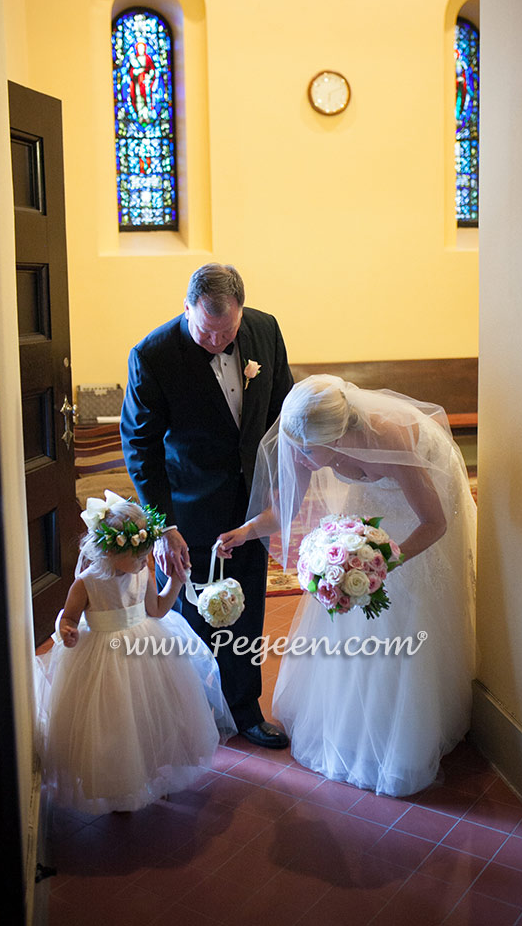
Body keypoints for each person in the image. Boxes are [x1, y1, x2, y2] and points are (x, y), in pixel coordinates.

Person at [218, 375, 477, 796]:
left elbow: (435, 523)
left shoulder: (390, 439)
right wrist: (244, 532)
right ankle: (350, 722)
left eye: (307, 451)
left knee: (402, 612)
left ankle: (399, 730)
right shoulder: (302, 434)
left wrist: (381, 564)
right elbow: (285, 509)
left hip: (419, 513)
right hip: (369, 512)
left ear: (338, 439)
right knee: (347, 608)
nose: (298, 457)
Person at [120, 263, 294, 748]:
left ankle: (244, 711)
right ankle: (185, 717)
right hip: (186, 507)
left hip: (249, 504)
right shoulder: (153, 355)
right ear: (186, 308)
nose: (217, 341)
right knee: (185, 617)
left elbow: (282, 412)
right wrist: (162, 525)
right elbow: (140, 447)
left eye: (227, 332)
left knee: (246, 606)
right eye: (206, 330)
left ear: (242, 314)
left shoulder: (266, 329)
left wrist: (278, 489)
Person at [34, 491, 235, 815]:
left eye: (146, 554)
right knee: (115, 724)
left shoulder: (143, 570)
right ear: (110, 551)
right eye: (139, 555)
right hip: (103, 657)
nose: (145, 560)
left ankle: (156, 774)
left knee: (154, 715)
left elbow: (155, 610)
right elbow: (69, 617)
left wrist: (175, 583)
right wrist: (68, 630)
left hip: (147, 648)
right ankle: (120, 785)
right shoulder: (87, 583)